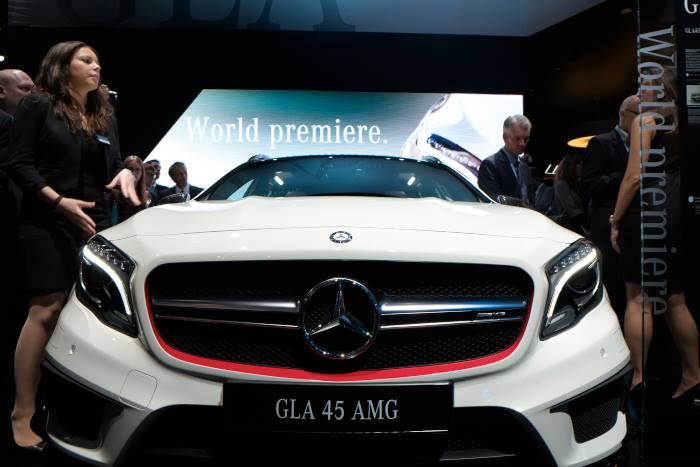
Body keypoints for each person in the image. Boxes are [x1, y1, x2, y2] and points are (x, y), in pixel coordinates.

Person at [8, 41, 140, 450]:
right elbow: (18, 163)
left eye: (98, 61)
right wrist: (58, 201)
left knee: (95, 315)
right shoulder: (38, 105)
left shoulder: (104, 114)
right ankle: (22, 412)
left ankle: (79, 403)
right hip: (46, 218)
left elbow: (114, 164)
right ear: (62, 66)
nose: (96, 66)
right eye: (86, 60)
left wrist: (127, 173)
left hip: (95, 223)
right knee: (46, 310)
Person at [609, 71, 700, 405]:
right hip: (674, 214)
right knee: (676, 300)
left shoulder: (644, 121)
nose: (638, 92)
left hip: (646, 213)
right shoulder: (682, 121)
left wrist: (616, 219)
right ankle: (694, 376)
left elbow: (634, 176)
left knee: (638, 300)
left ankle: (639, 378)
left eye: (643, 86)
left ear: (658, 90)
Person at [582, 95, 640, 320]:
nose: (643, 120)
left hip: (635, 224)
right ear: (623, 114)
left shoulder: (648, 144)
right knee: (613, 289)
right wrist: (625, 175)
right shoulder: (601, 143)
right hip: (607, 225)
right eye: (638, 114)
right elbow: (589, 185)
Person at [478, 115, 537, 204]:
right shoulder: (489, 165)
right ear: (505, 137)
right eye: (517, 138)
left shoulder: (524, 166)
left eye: (526, 139)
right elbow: (493, 202)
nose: (522, 143)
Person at [552, 154, 588, 236]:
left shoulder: (575, 185)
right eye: (579, 164)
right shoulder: (561, 185)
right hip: (570, 228)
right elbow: (572, 211)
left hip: (578, 226)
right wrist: (589, 225)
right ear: (571, 167)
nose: (582, 168)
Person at [113, 155, 147, 222]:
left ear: (142, 173)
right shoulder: (113, 194)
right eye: (130, 169)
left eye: (137, 169)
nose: (134, 173)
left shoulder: (147, 197)